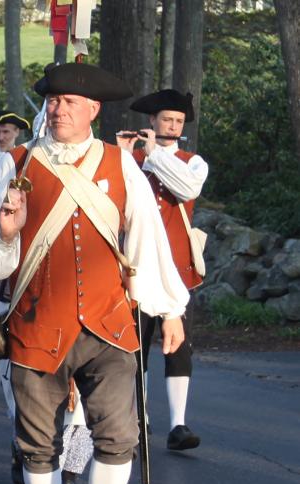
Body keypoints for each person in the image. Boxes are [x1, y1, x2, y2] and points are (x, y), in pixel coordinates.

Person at [0, 62, 189, 484]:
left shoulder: (120, 163)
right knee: (37, 445)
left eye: (70, 101)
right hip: (36, 326)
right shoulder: (15, 165)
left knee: (118, 438)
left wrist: (168, 308)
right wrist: (4, 230)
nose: (59, 108)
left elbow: (147, 239)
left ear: (93, 110)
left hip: (110, 327)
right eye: (53, 100)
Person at [119, 89, 208, 452]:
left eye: (178, 122)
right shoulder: (131, 159)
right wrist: (125, 156)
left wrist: (154, 153)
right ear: (152, 122)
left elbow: (186, 188)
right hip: (137, 267)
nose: (173, 126)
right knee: (137, 346)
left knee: (179, 347)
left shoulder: (193, 160)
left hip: (176, 268)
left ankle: (179, 423)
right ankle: (139, 417)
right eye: (166, 120)